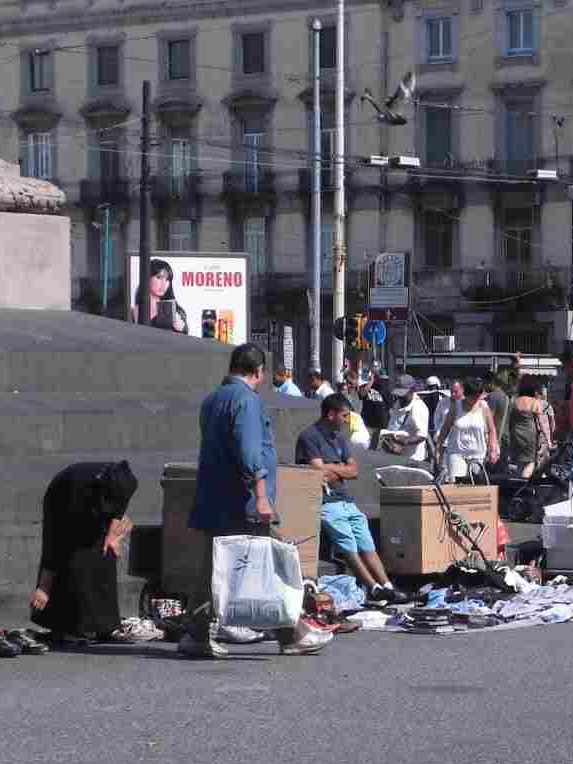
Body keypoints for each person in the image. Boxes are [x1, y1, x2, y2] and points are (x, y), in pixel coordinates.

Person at [182, 342, 326, 659]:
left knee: (212, 568)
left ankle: (195, 633)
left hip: (215, 497)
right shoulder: (246, 401)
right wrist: (261, 496)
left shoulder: (212, 400)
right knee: (269, 565)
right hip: (242, 501)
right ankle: (291, 634)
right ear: (259, 371)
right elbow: (250, 452)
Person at [296, 393, 409, 604]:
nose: (347, 420)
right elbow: (316, 471)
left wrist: (332, 469)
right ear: (331, 414)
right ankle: (373, 588)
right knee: (348, 542)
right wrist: (339, 468)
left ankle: (387, 586)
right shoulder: (309, 437)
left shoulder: (339, 438)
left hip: (345, 499)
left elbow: (354, 470)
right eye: (344, 415)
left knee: (366, 542)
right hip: (326, 502)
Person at [30, 461, 141, 644]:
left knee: (105, 551)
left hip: (96, 495)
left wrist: (113, 538)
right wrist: (44, 587)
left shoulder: (126, 482)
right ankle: (68, 625)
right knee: (73, 555)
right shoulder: (75, 493)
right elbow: (55, 541)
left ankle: (106, 626)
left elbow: (118, 511)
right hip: (62, 495)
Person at [435, 377, 500, 482]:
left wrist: (493, 449)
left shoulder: (484, 406)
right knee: (457, 486)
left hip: (478, 455)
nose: (475, 400)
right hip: (456, 453)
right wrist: (438, 450)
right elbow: (445, 429)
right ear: (466, 395)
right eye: (473, 397)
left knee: (475, 487)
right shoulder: (456, 406)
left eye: (478, 397)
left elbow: (492, 430)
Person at [505, 377, 554, 477]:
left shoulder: (514, 401)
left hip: (516, 434)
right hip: (530, 436)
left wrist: (509, 436)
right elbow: (542, 424)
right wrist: (548, 440)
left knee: (519, 463)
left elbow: (509, 421)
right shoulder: (535, 402)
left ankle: (518, 485)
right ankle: (523, 484)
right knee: (531, 462)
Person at [380, 374, 432, 463]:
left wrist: (404, 442)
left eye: (403, 394)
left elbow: (422, 435)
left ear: (412, 390)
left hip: (412, 460)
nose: (400, 397)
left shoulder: (419, 407)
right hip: (394, 456)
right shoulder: (397, 403)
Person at [130, 258, 188, 333]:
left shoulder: (176, 311)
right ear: (147, 278)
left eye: (167, 280)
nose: (164, 284)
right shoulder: (133, 311)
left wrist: (182, 328)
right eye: (159, 277)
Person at [484, 372, 510, 441]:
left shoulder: (493, 396)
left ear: (491, 382)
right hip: (503, 436)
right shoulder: (505, 395)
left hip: (494, 437)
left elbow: (488, 418)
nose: (483, 386)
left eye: (485, 383)